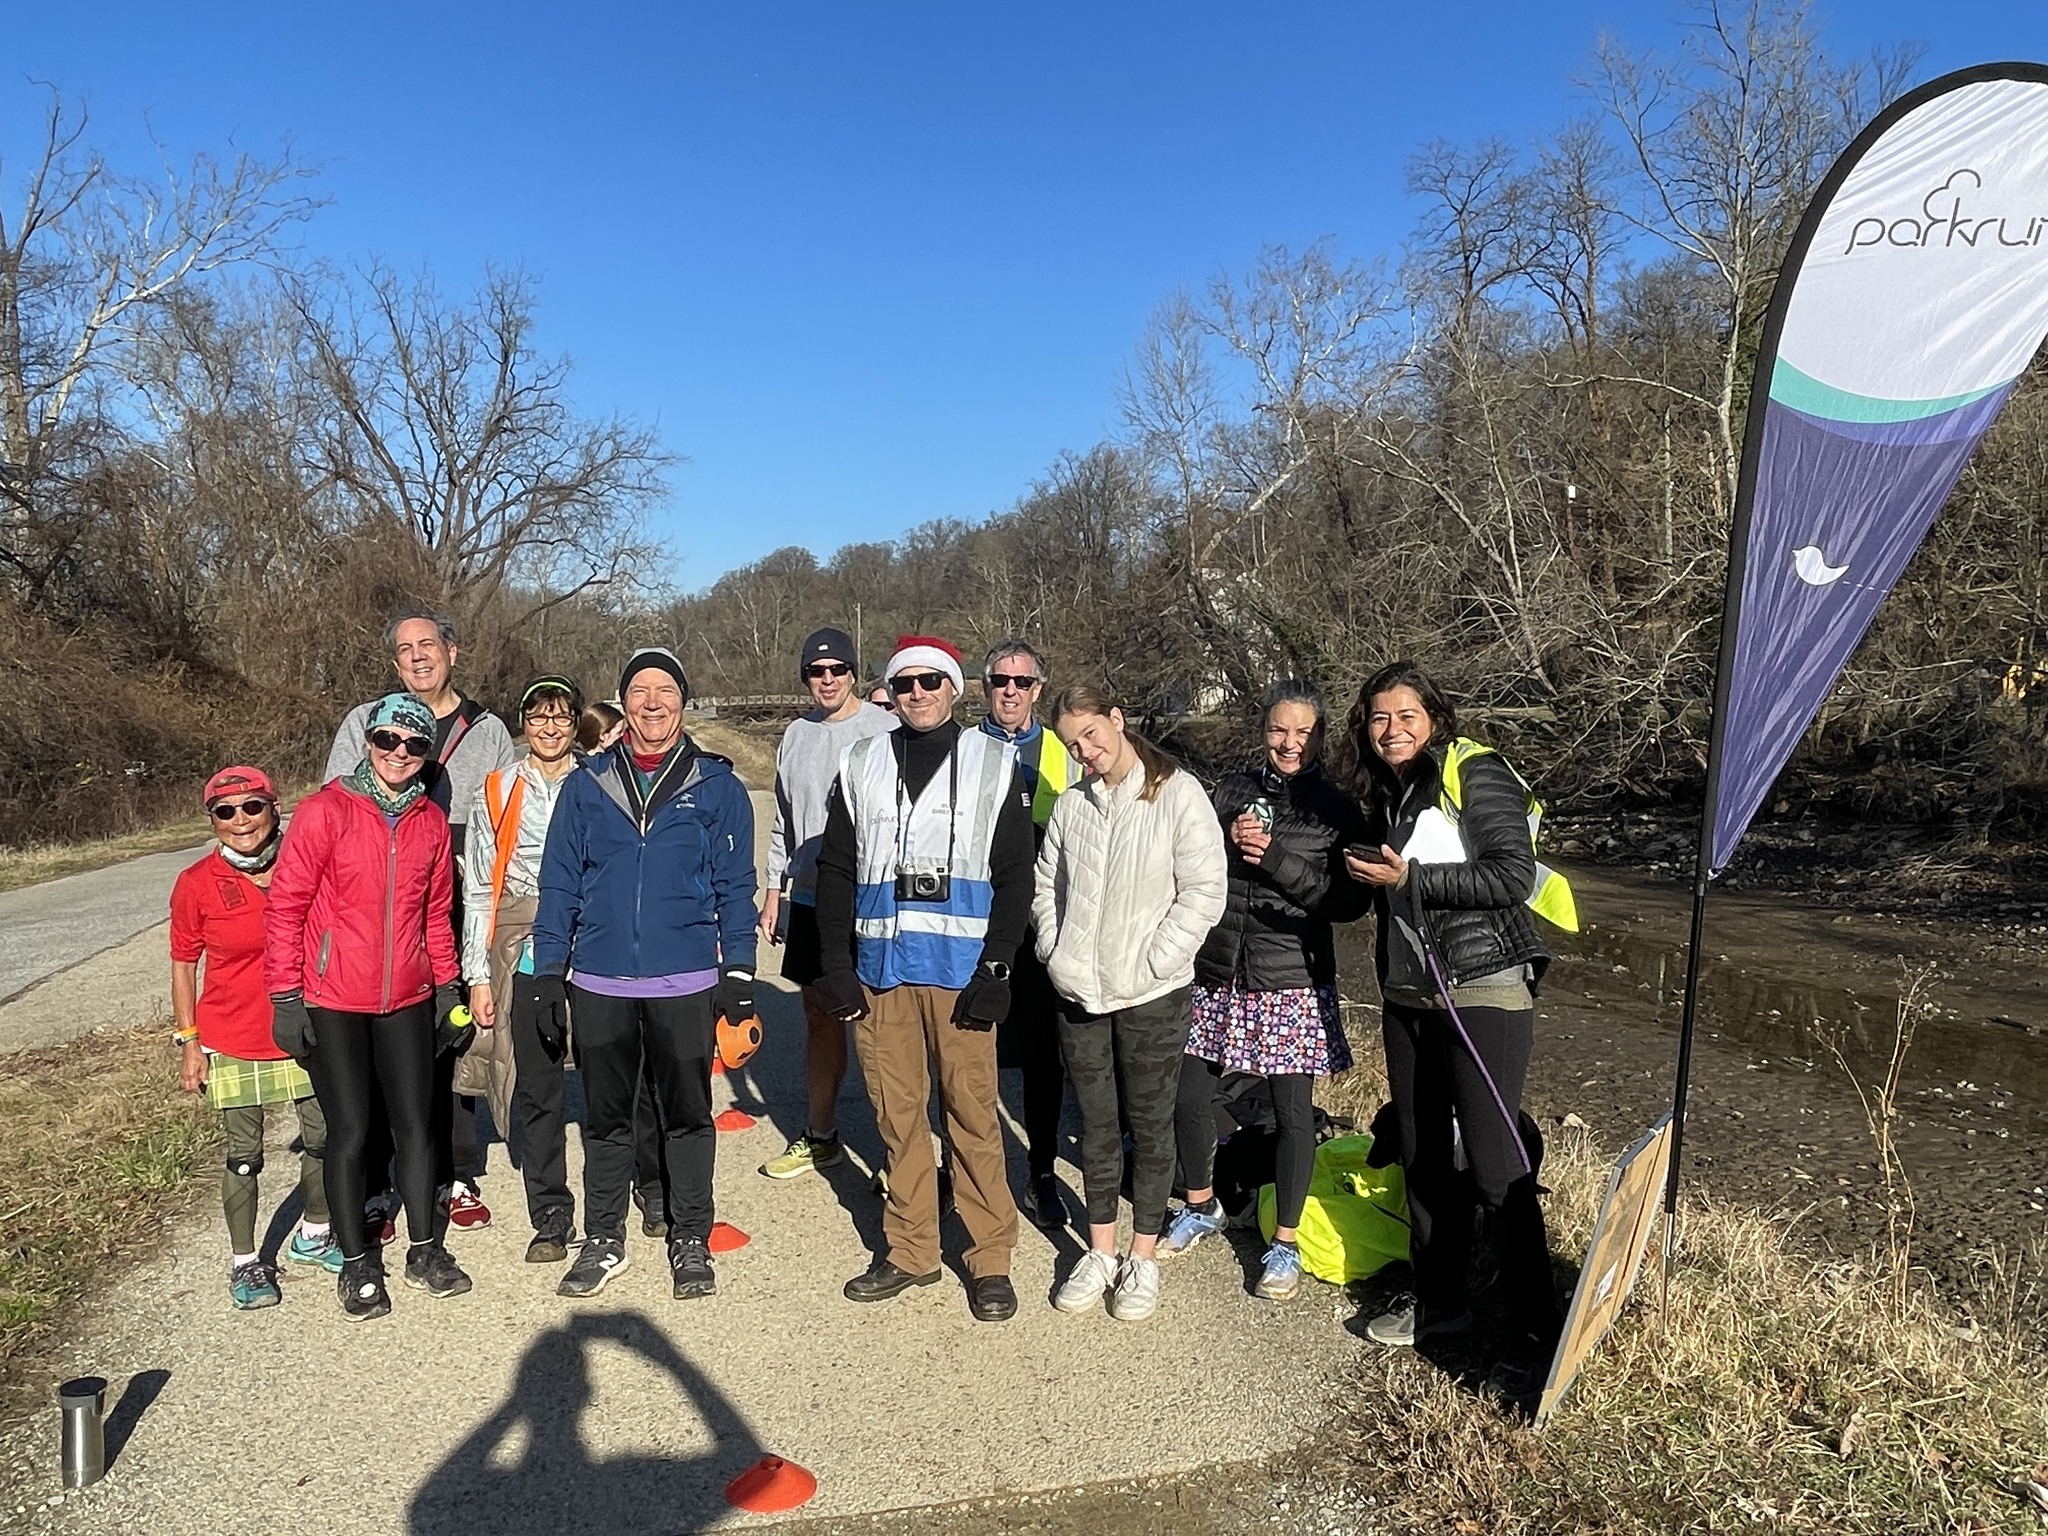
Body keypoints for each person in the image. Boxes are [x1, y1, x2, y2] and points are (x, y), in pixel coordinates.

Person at [1336, 661, 1567, 1356]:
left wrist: (1411, 878)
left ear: (1434, 717)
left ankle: (1537, 1322)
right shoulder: (1389, 792)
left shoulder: (1477, 770)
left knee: (1496, 1165)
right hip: (1409, 998)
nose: (1392, 728)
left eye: (1406, 715)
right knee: (1423, 1156)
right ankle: (1441, 1304)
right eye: (1379, 717)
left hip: (1483, 992)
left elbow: (1510, 874)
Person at [812, 636, 1035, 1323]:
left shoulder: (995, 764)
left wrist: (999, 968)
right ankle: (911, 1249)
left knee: (971, 1115)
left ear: (954, 687)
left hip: (963, 976)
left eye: (930, 683)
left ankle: (989, 1257)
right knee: (897, 1117)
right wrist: (835, 966)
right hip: (882, 974)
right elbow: (837, 872)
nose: (917, 694)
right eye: (904, 684)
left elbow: (1015, 878)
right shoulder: (861, 762)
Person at [526, 647, 757, 1301]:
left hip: (683, 980)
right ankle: (603, 1238)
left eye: (665, 690)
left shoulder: (717, 787)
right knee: (605, 1120)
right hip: (598, 981)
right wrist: (548, 971)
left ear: (683, 701)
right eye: (639, 691)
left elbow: (737, 887)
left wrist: (738, 971)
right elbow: (560, 882)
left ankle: (690, 1236)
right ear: (623, 703)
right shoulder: (586, 784)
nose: (652, 702)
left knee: (686, 1115)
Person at [266, 694, 472, 1320]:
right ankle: (356, 1263)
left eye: (414, 746)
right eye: (388, 742)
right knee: (352, 1131)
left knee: (416, 1127)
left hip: (407, 996)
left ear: (426, 754)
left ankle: (423, 1250)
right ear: (369, 743)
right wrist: (285, 997)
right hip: (333, 999)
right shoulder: (325, 811)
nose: (399, 755)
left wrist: (447, 989)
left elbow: (437, 916)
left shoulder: (431, 822)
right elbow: (286, 907)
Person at [1160, 681, 1367, 1301]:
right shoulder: (1229, 790)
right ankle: (1202, 1204)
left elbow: (1347, 903)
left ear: (1320, 736)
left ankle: (1285, 1243)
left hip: (1290, 977)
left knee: (1292, 1113)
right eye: (1279, 729)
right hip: (1218, 968)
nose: (1289, 743)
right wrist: (1223, 848)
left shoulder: (1337, 808)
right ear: (1263, 730)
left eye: (1303, 732)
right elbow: (1189, 866)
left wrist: (1275, 857)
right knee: (1188, 1093)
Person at [1033, 685, 1227, 1321]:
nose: (1084, 751)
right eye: (1071, 744)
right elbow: (1047, 884)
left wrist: (1158, 958)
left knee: (1149, 1124)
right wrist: (1054, 948)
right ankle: (1101, 1250)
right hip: (1079, 992)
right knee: (1095, 1125)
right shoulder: (1071, 805)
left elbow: (1204, 891)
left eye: (1091, 735)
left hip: (1152, 994)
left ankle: (1142, 1257)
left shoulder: (1177, 794)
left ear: (1117, 721)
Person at [326, 605, 515, 1232]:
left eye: (427, 645)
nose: (417, 657)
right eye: (404, 649)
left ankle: (455, 1173)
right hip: (382, 906)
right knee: (384, 1044)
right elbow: (336, 808)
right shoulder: (365, 722)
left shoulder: (487, 729)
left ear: (452, 652)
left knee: (452, 1034)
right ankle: (382, 1181)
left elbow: (507, 813)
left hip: (460, 895)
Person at [172, 766, 340, 1309]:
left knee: (322, 1136)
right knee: (245, 1155)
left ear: (274, 809)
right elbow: (182, 965)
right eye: (225, 811)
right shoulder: (196, 882)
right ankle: (246, 1263)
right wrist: (190, 1042)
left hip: (305, 1026)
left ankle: (315, 1234)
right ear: (212, 819)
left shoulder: (303, 862)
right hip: (233, 1034)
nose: (241, 820)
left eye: (252, 807)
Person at [757, 628, 897, 1180]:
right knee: (819, 1015)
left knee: (882, 1024)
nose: (828, 679)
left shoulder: (884, 728)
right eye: (817, 672)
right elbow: (784, 821)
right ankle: (821, 1134)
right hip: (812, 899)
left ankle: (898, 1154)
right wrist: (773, 891)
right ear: (806, 679)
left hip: (873, 896)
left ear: (854, 673)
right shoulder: (795, 734)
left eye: (838, 669)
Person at [464, 676, 587, 1263]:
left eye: (562, 717)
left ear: (576, 723)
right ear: (523, 722)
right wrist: (478, 973)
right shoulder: (497, 789)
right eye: (538, 717)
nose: (550, 728)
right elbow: (480, 890)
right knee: (536, 1079)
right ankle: (551, 1211)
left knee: (616, 1069)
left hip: (593, 936)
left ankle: (647, 1190)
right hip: (522, 939)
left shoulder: (600, 782)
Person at [974, 638, 1079, 1227]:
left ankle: (1041, 1171)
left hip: (1041, 923)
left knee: (1043, 1058)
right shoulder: (964, 748)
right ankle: (960, 1165)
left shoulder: (1065, 750)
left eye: (1021, 682)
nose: (1010, 691)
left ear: (1038, 689)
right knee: (971, 1050)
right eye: (999, 681)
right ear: (985, 687)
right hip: (977, 921)